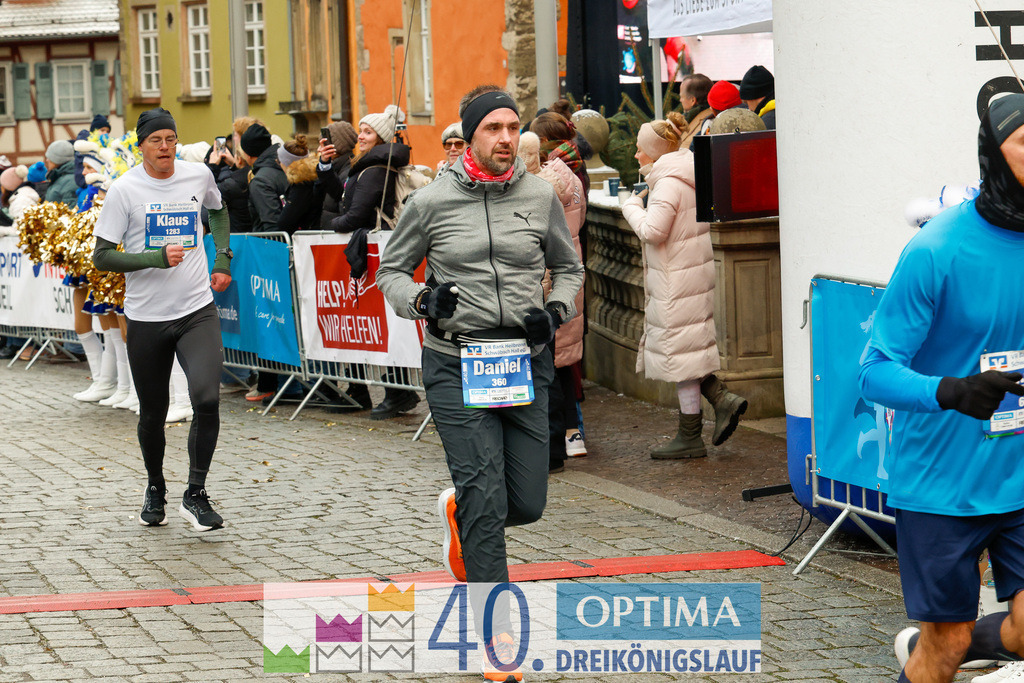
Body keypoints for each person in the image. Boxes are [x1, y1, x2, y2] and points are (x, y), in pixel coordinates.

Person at [377, 85, 584, 682]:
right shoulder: (431, 202)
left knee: (528, 501)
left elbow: (568, 267)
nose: (504, 138)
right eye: (492, 127)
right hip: (455, 363)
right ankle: (497, 638)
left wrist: (557, 308)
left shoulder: (539, 194)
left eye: (511, 126)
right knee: (487, 497)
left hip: (523, 361)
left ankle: (463, 518)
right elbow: (391, 271)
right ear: (470, 136)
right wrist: (422, 299)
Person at [858, 94, 1024, 683]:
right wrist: (950, 391)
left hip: (1020, 472)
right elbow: (872, 370)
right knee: (946, 644)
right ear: (994, 155)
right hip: (941, 485)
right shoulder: (937, 249)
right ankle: (936, 648)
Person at [92, 107, 233, 532]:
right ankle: (155, 486)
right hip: (147, 318)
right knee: (152, 413)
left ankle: (196, 493)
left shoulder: (197, 176)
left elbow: (220, 211)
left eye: (171, 139)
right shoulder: (124, 190)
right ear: (142, 146)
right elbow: (101, 256)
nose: (166, 147)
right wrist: (153, 257)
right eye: (157, 140)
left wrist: (223, 256)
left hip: (196, 310)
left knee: (206, 399)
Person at [621, 112, 747, 459]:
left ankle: (692, 434)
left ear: (653, 152)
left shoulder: (667, 183)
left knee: (680, 354)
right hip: (690, 276)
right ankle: (716, 406)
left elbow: (653, 231)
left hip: (676, 281)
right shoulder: (687, 175)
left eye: (639, 150)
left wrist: (630, 206)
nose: (635, 155)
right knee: (686, 351)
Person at [324, 105, 418, 420]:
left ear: (380, 137)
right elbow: (347, 199)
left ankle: (399, 392)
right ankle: (395, 391)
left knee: (385, 322)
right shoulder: (369, 165)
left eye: (367, 132)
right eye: (361, 131)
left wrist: (328, 224)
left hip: (383, 252)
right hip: (378, 249)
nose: (360, 137)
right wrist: (326, 172)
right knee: (379, 322)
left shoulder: (376, 169)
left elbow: (355, 214)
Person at [240, 123, 287, 233]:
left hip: (269, 245)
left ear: (248, 154)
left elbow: (271, 225)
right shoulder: (283, 165)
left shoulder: (260, 181)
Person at [276, 135, 324, 233]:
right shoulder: (310, 178)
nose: (278, 162)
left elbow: (285, 222)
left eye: (280, 160)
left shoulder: (301, 184)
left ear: (286, 163)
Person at [316, 121, 359, 228]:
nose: (318, 149)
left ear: (335, 147)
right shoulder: (333, 168)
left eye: (323, 145)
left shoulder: (348, 171)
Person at [678, 73, 714, 149]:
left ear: (692, 100)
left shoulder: (707, 122)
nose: (680, 100)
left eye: (681, 97)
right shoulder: (694, 117)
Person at [739, 65, 776, 130]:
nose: (749, 109)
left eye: (746, 102)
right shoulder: (780, 109)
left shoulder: (767, 122)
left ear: (754, 96)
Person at [43, 140, 78, 207]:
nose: (47, 160)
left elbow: (70, 211)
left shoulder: (70, 181)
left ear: (58, 159)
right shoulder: (59, 177)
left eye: (50, 157)